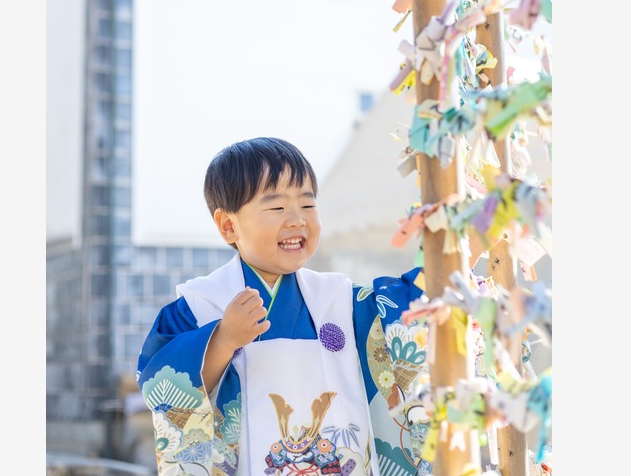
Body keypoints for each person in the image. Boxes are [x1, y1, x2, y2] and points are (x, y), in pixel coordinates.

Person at [136, 137, 439, 476]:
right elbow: (165, 391)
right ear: (228, 226)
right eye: (277, 207)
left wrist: (449, 248)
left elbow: (410, 307)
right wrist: (222, 340)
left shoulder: (340, 300)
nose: (297, 220)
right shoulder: (201, 305)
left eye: (308, 205)